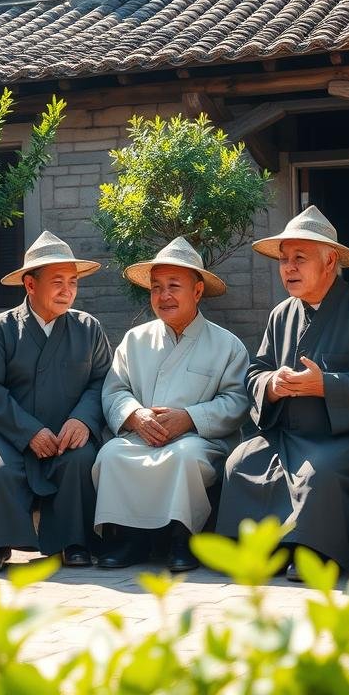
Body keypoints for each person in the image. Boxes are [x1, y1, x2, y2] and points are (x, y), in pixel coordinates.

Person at [217, 206, 349, 580]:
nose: (288, 267)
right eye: (284, 260)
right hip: (288, 434)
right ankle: (265, 550)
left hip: (348, 437)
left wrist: (326, 385)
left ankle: (314, 554)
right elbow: (256, 371)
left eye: (299, 259)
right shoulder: (281, 314)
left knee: (319, 472)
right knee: (242, 461)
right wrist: (271, 385)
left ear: (330, 260)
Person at [93, 237, 251, 572]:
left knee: (184, 456)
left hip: (200, 440)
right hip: (142, 438)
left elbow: (237, 401)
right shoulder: (135, 340)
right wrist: (135, 416)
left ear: (196, 292)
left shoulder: (227, 345)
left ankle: (183, 540)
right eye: (156, 287)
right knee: (111, 454)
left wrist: (190, 418)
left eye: (174, 286)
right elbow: (115, 390)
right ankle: (128, 540)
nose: (163, 296)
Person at [0, 231, 113, 575]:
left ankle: (74, 542)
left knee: (81, 460)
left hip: (67, 433)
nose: (68, 290)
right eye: (57, 281)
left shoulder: (88, 328)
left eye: (73, 282)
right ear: (30, 285)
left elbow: (103, 381)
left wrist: (83, 420)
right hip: (7, 431)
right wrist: (29, 432)